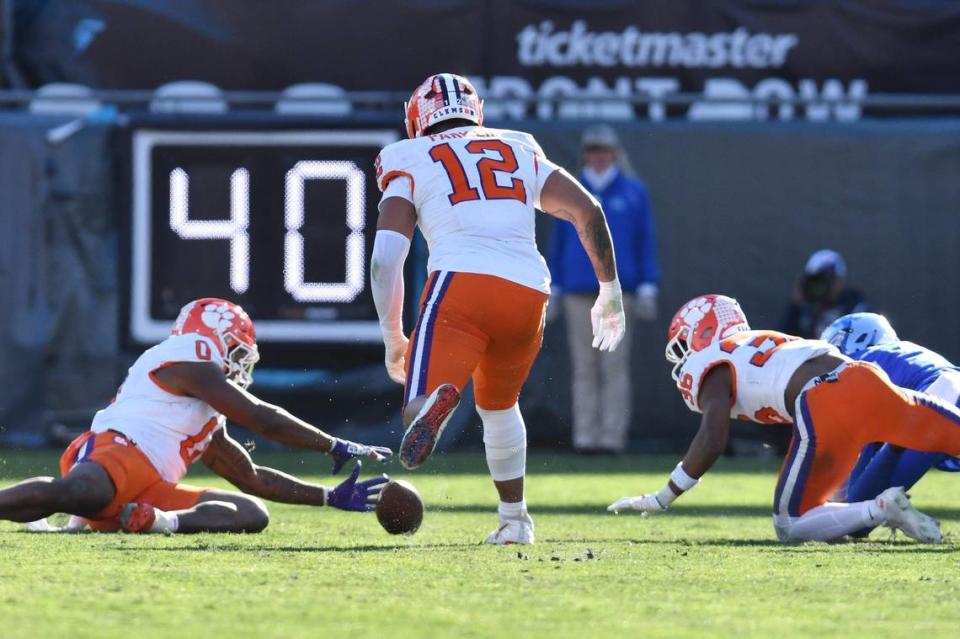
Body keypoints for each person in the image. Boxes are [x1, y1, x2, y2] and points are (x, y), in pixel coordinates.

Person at [371, 73, 625, 545]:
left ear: (414, 117)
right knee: (500, 406)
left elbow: (387, 258)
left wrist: (392, 338)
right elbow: (587, 211)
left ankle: (432, 405)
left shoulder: (407, 156)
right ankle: (515, 521)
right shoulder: (517, 146)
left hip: (460, 286)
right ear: (477, 110)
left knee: (415, 410)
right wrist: (609, 291)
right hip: (529, 290)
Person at [0, 298, 392, 534]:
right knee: (85, 493)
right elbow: (263, 419)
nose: (240, 366)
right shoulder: (189, 354)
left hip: (146, 491)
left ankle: (157, 523)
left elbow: (250, 477)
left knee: (250, 513)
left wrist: (326, 496)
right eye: (236, 353)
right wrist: (332, 443)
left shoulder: (207, 413)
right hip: (112, 453)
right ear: (212, 337)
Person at [607, 294, 960, 544]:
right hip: (865, 378)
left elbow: (712, 440)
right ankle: (876, 507)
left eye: (685, 344)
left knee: (791, 524)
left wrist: (662, 496)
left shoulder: (712, 362)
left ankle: (879, 508)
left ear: (703, 332)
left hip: (822, 400)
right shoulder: (761, 343)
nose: (684, 358)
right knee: (951, 433)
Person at [547, 124, 660, 454]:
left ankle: (612, 438)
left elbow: (645, 241)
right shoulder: (571, 189)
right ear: (585, 154)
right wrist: (554, 284)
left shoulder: (633, 192)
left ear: (614, 153)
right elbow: (559, 242)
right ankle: (585, 438)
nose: (598, 156)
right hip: (577, 290)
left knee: (614, 367)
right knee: (584, 367)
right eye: (593, 150)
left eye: (604, 150)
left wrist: (649, 284)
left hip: (618, 292)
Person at [820, 313, 960, 528]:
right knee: (865, 503)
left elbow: (860, 456)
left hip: (939, 401)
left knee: (858, 516)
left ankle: (898, 511)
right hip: (943, 398)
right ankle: (895, 508)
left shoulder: (861, 366)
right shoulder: (903, 354)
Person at [780, 249, 869, 339]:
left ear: (840, 280)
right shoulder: (805, 309)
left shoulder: (855, 307)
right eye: (815, 282)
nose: (820, 287)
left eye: (827, 280)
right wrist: (795, 307)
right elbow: (784, 343)